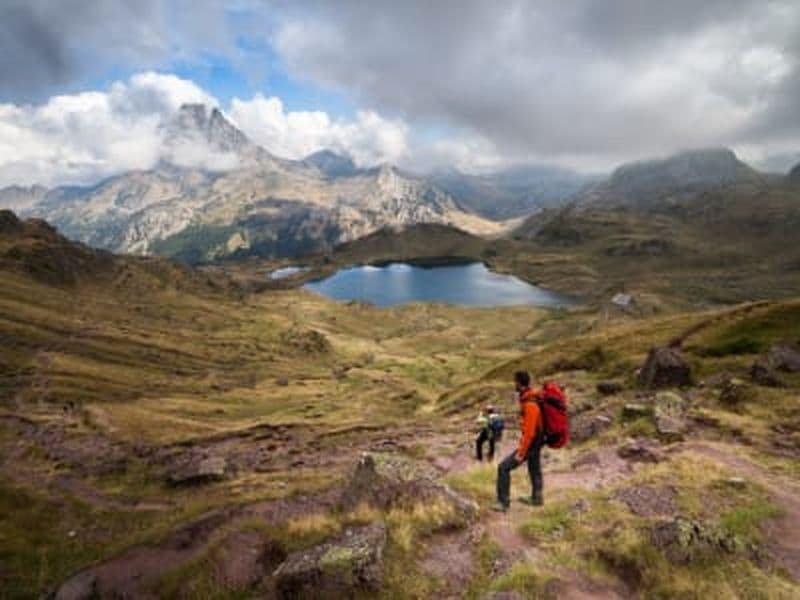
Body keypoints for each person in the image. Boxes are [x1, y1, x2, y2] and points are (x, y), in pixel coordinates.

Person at [493, 370, 544, 512]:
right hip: (538, 440)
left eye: (515, 382)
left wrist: (521, 452)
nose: (513, 384)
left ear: (520, 384)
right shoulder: (529, 398)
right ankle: (537, 498)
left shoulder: (530, 404)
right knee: (534, 467)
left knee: (503, 467)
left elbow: (529, 433)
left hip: (533, 441)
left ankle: (503, 503)